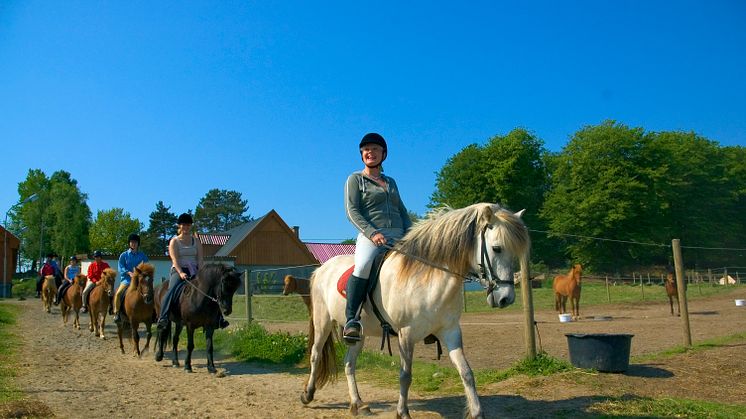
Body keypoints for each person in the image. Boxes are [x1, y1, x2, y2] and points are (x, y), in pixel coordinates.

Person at [342, 132, 412, 343]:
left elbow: (403, 211)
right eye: (365, 150)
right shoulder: (355, 179)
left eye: (374, 149)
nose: (369, 152)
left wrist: (413, 235)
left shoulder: (391, 182)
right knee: (362, 265)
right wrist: (373, 233)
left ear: (384, 154)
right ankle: (351, 320)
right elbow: (351, 211)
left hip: (399, 235)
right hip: (371, 235)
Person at [156, 213, 229, 330]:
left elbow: (200, 259)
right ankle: (163, 317)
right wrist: (180, 273)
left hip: (194, 269)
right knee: (171, 290)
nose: (186, 227)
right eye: (184, 225)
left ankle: (219, 319)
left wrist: (201, 272)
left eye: (188, 225)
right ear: (179, 226)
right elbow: (174, 260)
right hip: (178, 270)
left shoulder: (196, 241)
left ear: (190, 226)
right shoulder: (174, 241)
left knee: (210, 289)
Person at [113, 233, 149, 323]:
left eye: (135, 242)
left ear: (138, 244)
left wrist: (142, 274)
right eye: (132, 242)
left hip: (139, 281)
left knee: (149, 292)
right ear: (129, 243)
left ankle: (151, 313)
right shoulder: (124, 255)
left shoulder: (142, 256)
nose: (133, 244)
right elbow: (120, 267)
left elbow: (146, 266)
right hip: (127, 280)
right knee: (118, 294)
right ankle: (117, 313)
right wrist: (128, 272)